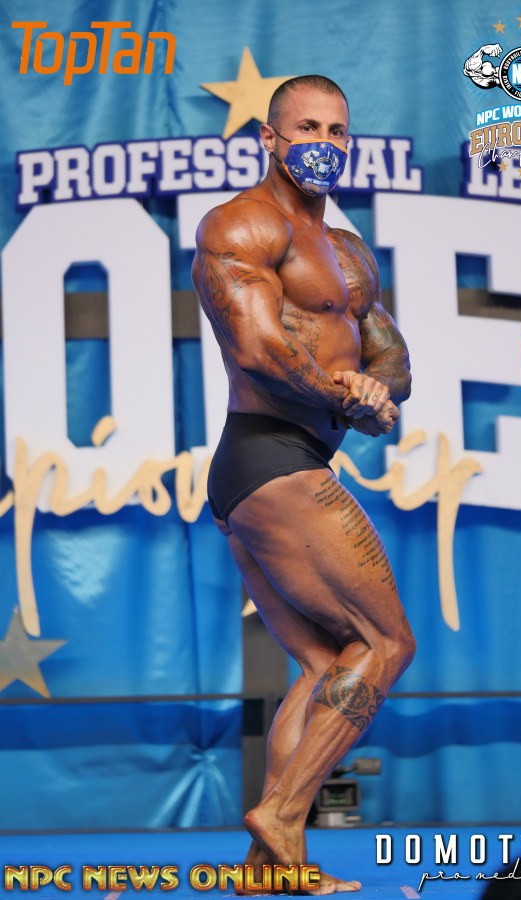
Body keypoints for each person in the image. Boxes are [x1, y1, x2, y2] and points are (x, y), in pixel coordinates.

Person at [192, 74, 416, 894]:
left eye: (336, 129)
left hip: (285, 463)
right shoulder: (242, 224)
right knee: (387, 643)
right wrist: (340, 396)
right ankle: (283, 815)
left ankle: (268, 873)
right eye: (306, 127)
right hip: (268, 457)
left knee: (325, 665)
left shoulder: (347, 252)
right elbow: (257, 348)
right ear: (270, 137)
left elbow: (390, 355)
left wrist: (375, 390)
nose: (323, 142)